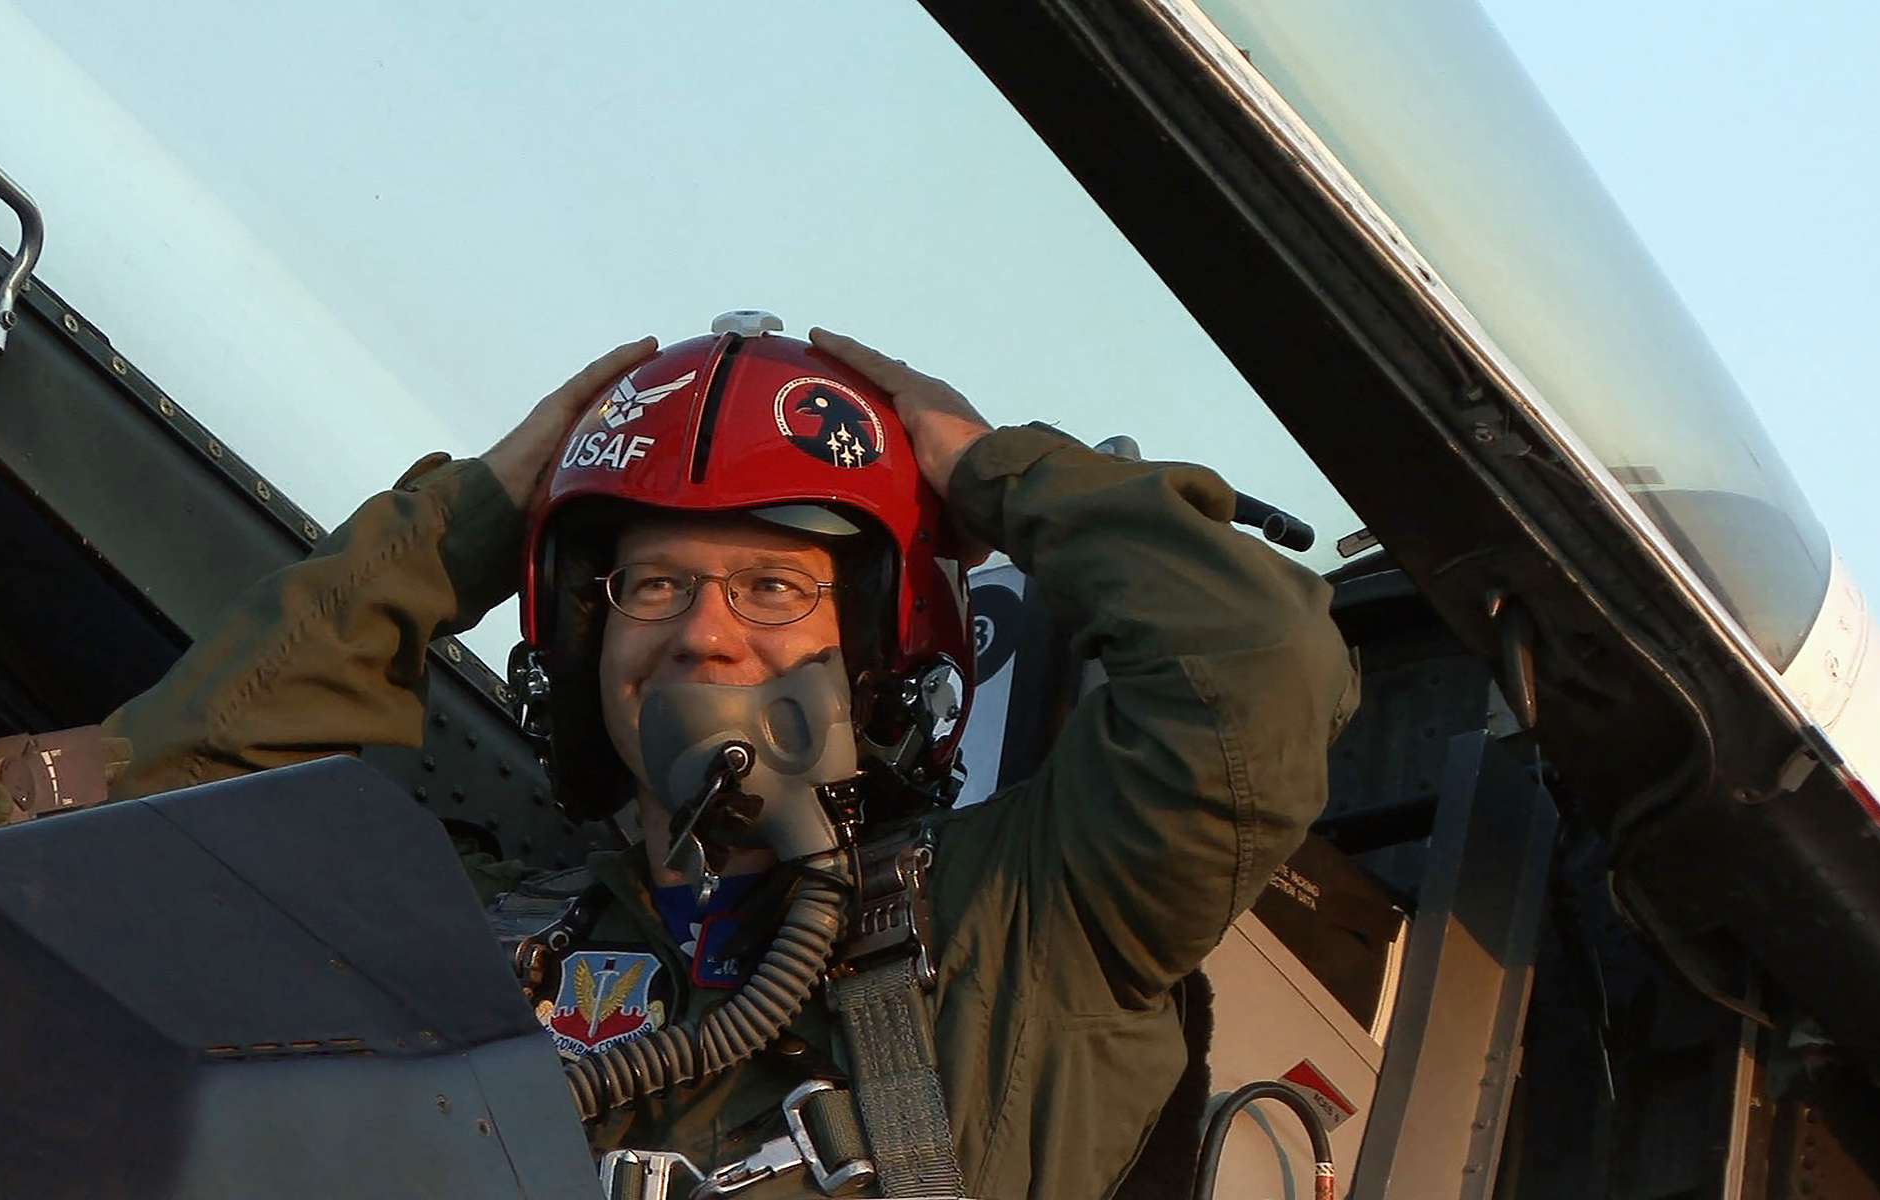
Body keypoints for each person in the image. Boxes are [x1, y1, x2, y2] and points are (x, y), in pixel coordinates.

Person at [104, 313, 1358, 1199]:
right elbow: (158, 825)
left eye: (773, 586)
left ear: (882, 649)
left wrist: (984, 470)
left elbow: (1261, 669)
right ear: (587, 634)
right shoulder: (488, 940)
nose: (704, 632)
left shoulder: (1032, 924)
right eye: (650, 583)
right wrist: (482, 516)